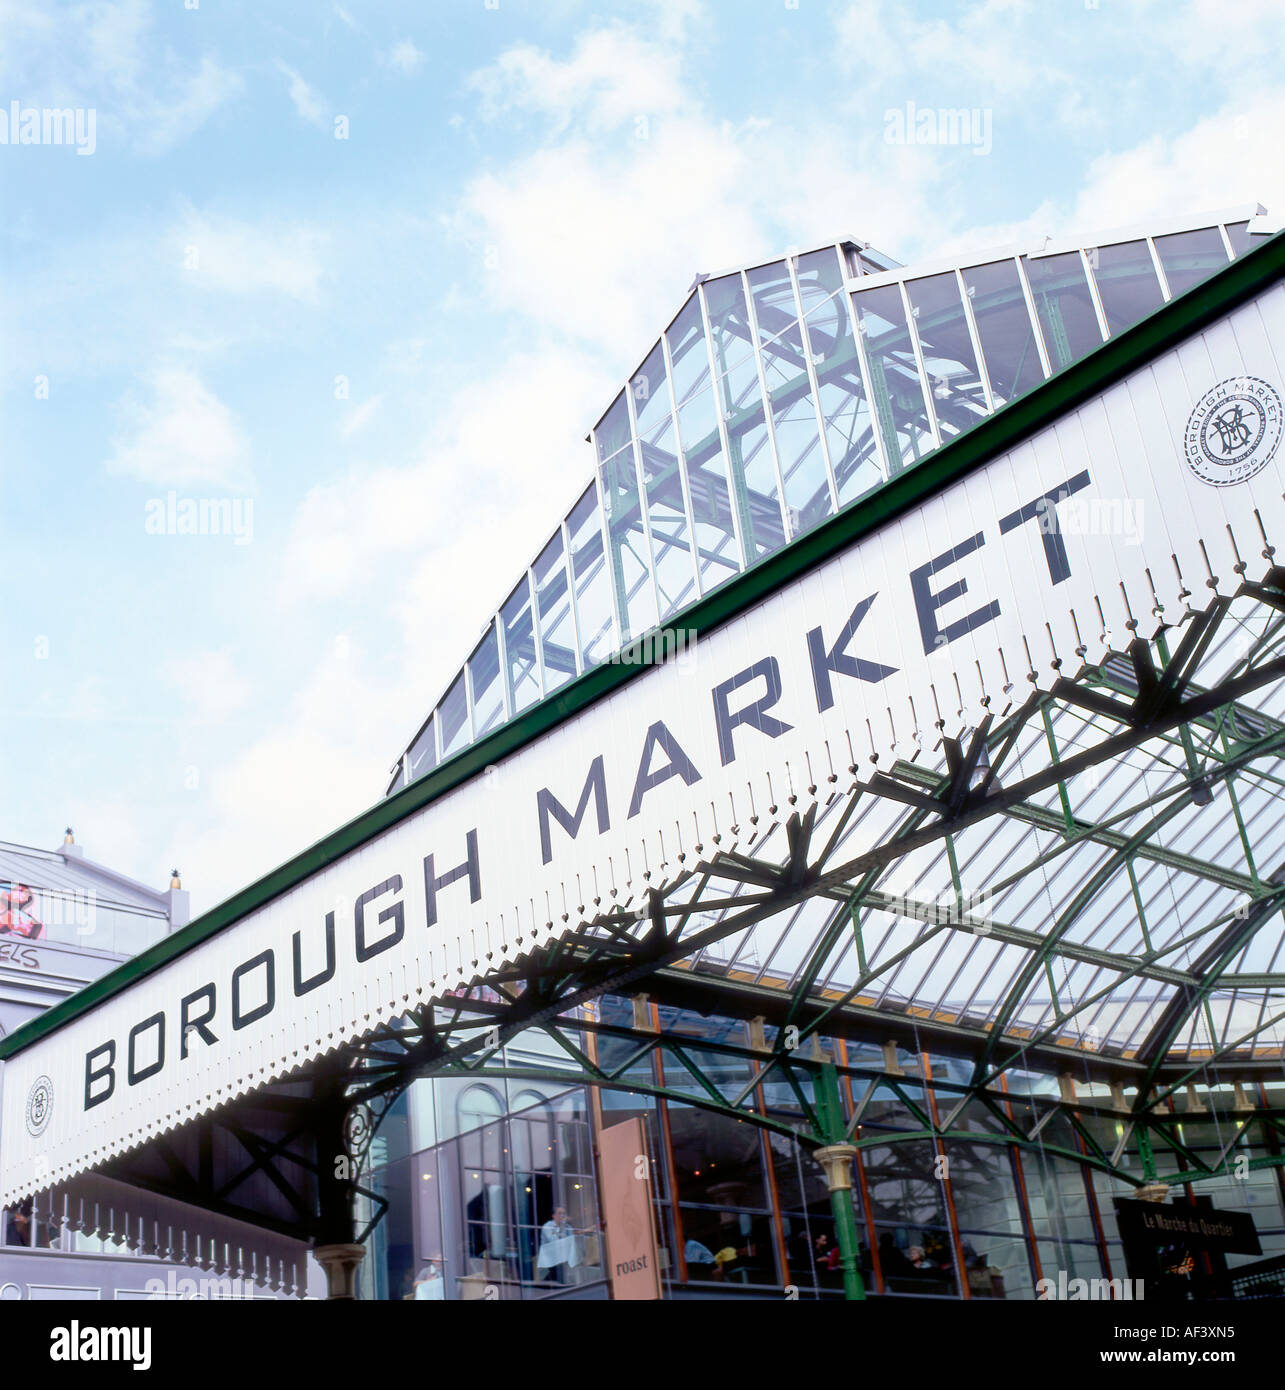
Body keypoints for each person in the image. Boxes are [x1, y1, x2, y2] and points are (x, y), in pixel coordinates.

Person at [535, 1206, 579, 1283]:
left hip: (564, 1256)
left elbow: (572, 1241)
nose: (562, 1216)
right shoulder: (547, 1226)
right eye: (559, 1213)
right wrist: (562, 1227)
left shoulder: (568, 1227)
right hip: (550, 1257)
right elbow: (554, 1242)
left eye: (564, 1214)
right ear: (553, 1216)